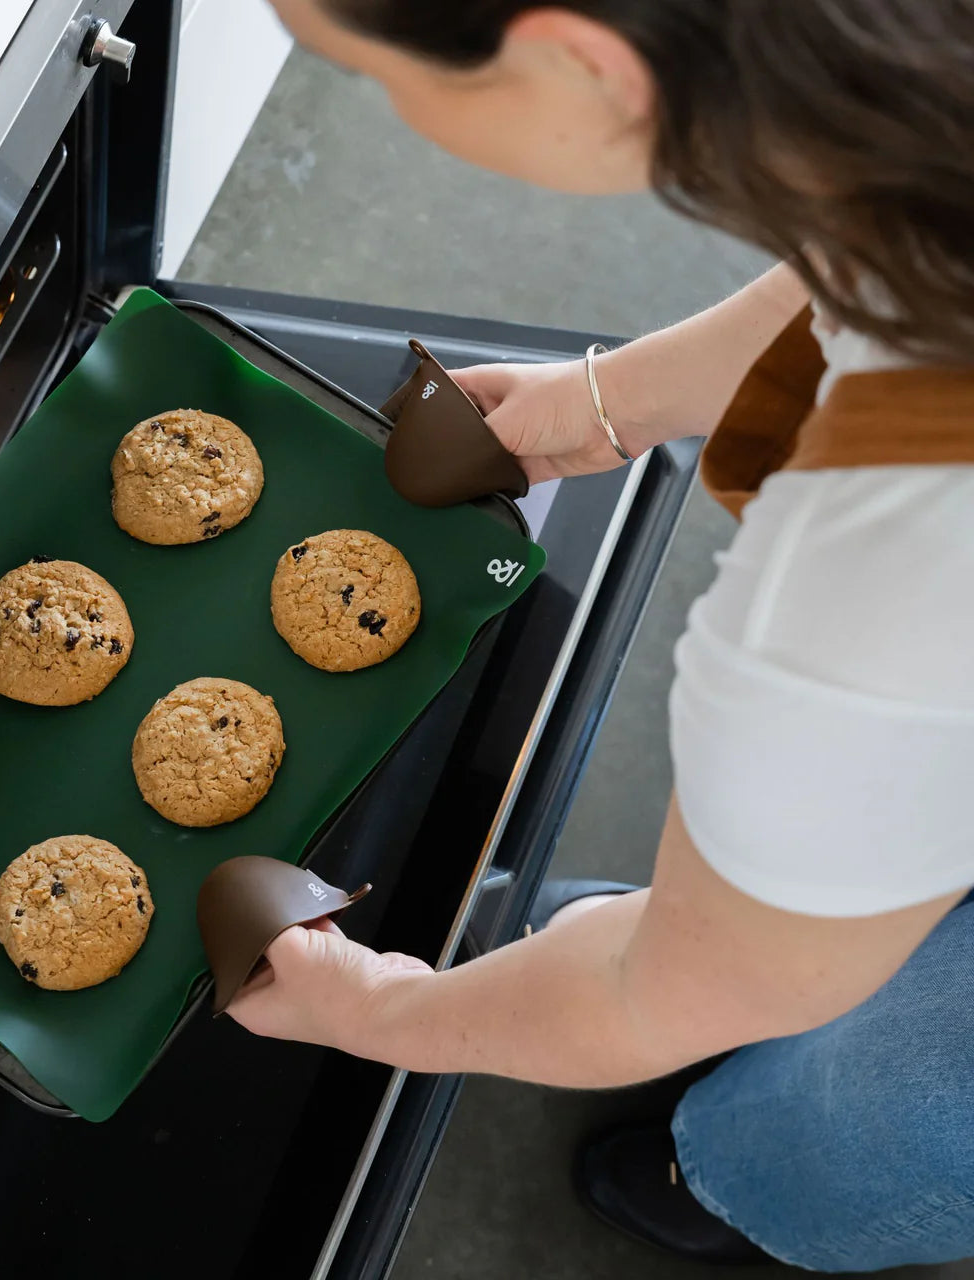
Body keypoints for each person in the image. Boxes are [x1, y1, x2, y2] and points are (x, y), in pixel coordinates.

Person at [226, 1, 974, 1270]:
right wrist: (602, 403)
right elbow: (884, 241)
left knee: (880, 1107)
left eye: (353, 67)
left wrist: (386, 1008)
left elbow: (662, 990)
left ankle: (736, 1176)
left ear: (579, 61)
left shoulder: (870, 598)